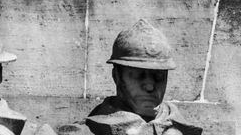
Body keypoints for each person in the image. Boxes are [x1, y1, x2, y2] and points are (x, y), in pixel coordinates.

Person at [69, 20, 201, 135]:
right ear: (117, 77)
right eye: (138, 76)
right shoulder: (91, 130)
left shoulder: (183, 128)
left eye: (159, 76)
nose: (150, 86)